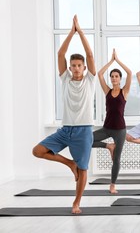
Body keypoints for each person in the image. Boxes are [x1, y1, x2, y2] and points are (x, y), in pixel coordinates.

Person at [32, 15, 96, 214]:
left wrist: (81, 33)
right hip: (65, 129)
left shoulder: (90, 80)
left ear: (84, 68)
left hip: (84, 131)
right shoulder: (65, 79)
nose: (76, 68)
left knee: (84, 169)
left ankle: (76, 203)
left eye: (79, 66)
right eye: (73, 65)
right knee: (38, 151)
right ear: (70, 68)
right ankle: (70, 164)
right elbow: (60, 54)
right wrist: (71, 32)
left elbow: (90, 54)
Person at [92, 49, 132, 194]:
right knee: (87, 139)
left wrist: (118, 60)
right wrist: (111, 61)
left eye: (116, 76)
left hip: (120, 130)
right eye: (112, 76)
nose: (114, 78)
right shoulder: (107, 91)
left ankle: (112, 185)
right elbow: (99, 74)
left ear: (120, 78)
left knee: (117, 159)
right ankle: (108, 146)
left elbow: (130, 73)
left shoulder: (124, 91)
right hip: (107, 128)